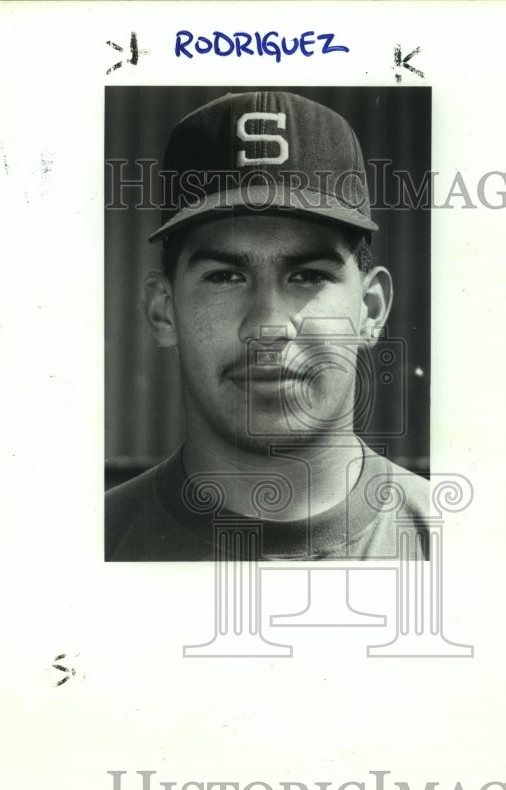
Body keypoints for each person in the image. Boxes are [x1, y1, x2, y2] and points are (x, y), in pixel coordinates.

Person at [105, 90, 432, 561]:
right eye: (225, 277)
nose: (268, 326)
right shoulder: (79, 556)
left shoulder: (467, 552)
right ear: (164, 309)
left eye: (308, 276)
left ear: (372, 309)